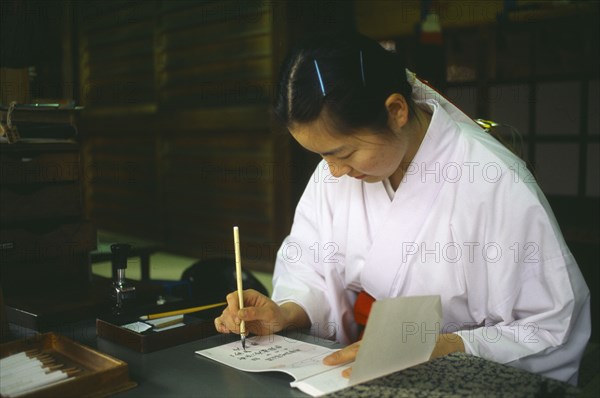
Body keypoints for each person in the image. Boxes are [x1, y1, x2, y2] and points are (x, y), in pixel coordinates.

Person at [214, 32, 591, 385]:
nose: (334, 171)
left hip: (459, 377)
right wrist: (286, 311)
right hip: (364, 371)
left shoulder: (494, 180)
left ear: (395, 110)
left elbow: (549, 327)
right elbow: (312, 270)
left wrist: (449, 348)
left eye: (343, 153)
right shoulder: (336, 173)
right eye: (322, 156)